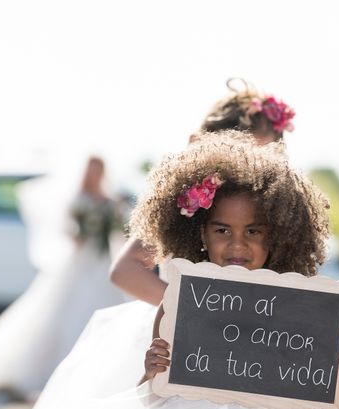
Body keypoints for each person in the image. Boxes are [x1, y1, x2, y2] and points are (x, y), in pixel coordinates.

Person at [0, 131, 339, 409]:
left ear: (277, 236)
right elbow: (152, 398)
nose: (238, 245)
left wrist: (333, 373)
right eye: (222, 230)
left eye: (254, 232)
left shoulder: (291, 307)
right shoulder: (183, 301)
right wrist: (151, 371)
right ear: (200, 234)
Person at [0, 156, 125, 403]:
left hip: (101, 265)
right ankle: (55, 372)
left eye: (100, 169)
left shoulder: (111, 201)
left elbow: (120, 232)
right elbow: (66, 230)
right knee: (62, 316)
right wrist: (79, 236)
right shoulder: (77, 200)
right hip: (81, 263)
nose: (96, 174)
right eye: (92, 169)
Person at [110, 77, 295, 305]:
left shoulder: (278, 214)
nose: (251, 173)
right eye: (242, 157)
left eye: (265, 160)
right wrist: (194, 310)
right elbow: (124, 270)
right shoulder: (186, 207)